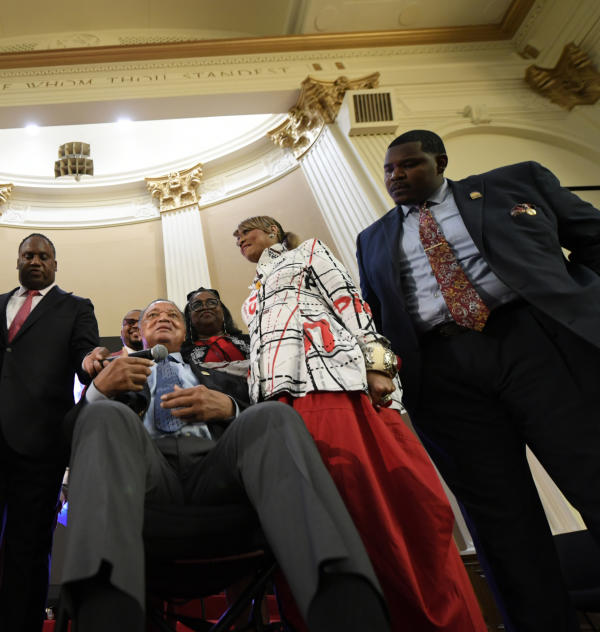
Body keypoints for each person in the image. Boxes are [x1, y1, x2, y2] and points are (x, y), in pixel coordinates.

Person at [356, 129, 600, 632]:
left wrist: (586, 303)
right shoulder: (372, 239)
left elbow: (592, 236)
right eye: (388, 170)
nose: (395, 176)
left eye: (408, 165)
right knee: (501, 522)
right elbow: (376, 316)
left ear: (440, 161)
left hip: (534, 343)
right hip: (441, 376)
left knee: (593, 475)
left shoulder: (515, 183)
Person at [61, 299, 390, 632]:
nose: (163, 318)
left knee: (272, 415)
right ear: (139, 332)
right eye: (153, 316)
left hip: (217, 477)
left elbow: (258, 436)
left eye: (173, 314)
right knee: (104, 414)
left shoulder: (218, 375)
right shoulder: (110, 375)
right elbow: (63, 444)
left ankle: (349, 608)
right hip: (143, 484)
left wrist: (230, 408)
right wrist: (98, 392)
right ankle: (105, 616)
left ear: (185, 331)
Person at [235, 215, 485, 631]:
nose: (239, 239)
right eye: (236, 236)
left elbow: (351, 302)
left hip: (329, 383)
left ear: (275, 231)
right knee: (307, 515)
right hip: (276, 403)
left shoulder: (308, 252)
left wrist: (377, 364)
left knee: (368, 502)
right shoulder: (251, 295)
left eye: (247, 230)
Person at [0, 233, 99, 632]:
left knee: (28, 552)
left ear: (55, 264)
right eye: (29, 255)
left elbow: (84, 354)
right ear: (19, 261)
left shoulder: (75, 307)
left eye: (44, 256)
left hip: (40, 445)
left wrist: (92, 361)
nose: (36, 261)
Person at [182, 286, 249, 376]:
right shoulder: (183, 354)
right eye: (197, 305)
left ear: (223, 311)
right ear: (189, 317)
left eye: (212, 303)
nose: (205, 307)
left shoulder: (250, 341)